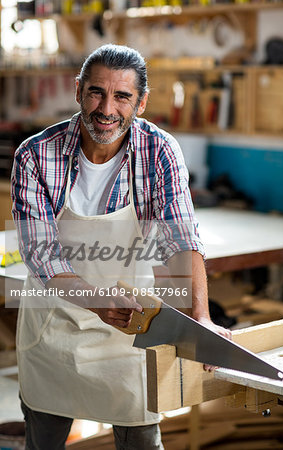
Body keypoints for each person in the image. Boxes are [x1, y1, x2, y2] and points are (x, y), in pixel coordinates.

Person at [11, 44, 231, 450]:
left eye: (122, 96)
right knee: (44, 440)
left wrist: (199, 316)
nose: (106, 108)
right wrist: (97, 302)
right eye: (96, 92)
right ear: (78, 91)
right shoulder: (36, 155)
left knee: (141, 438)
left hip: (130, 330)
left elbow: (180, 236)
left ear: (141, 103)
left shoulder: (159, 151)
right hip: (52, 327)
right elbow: (43, 255)